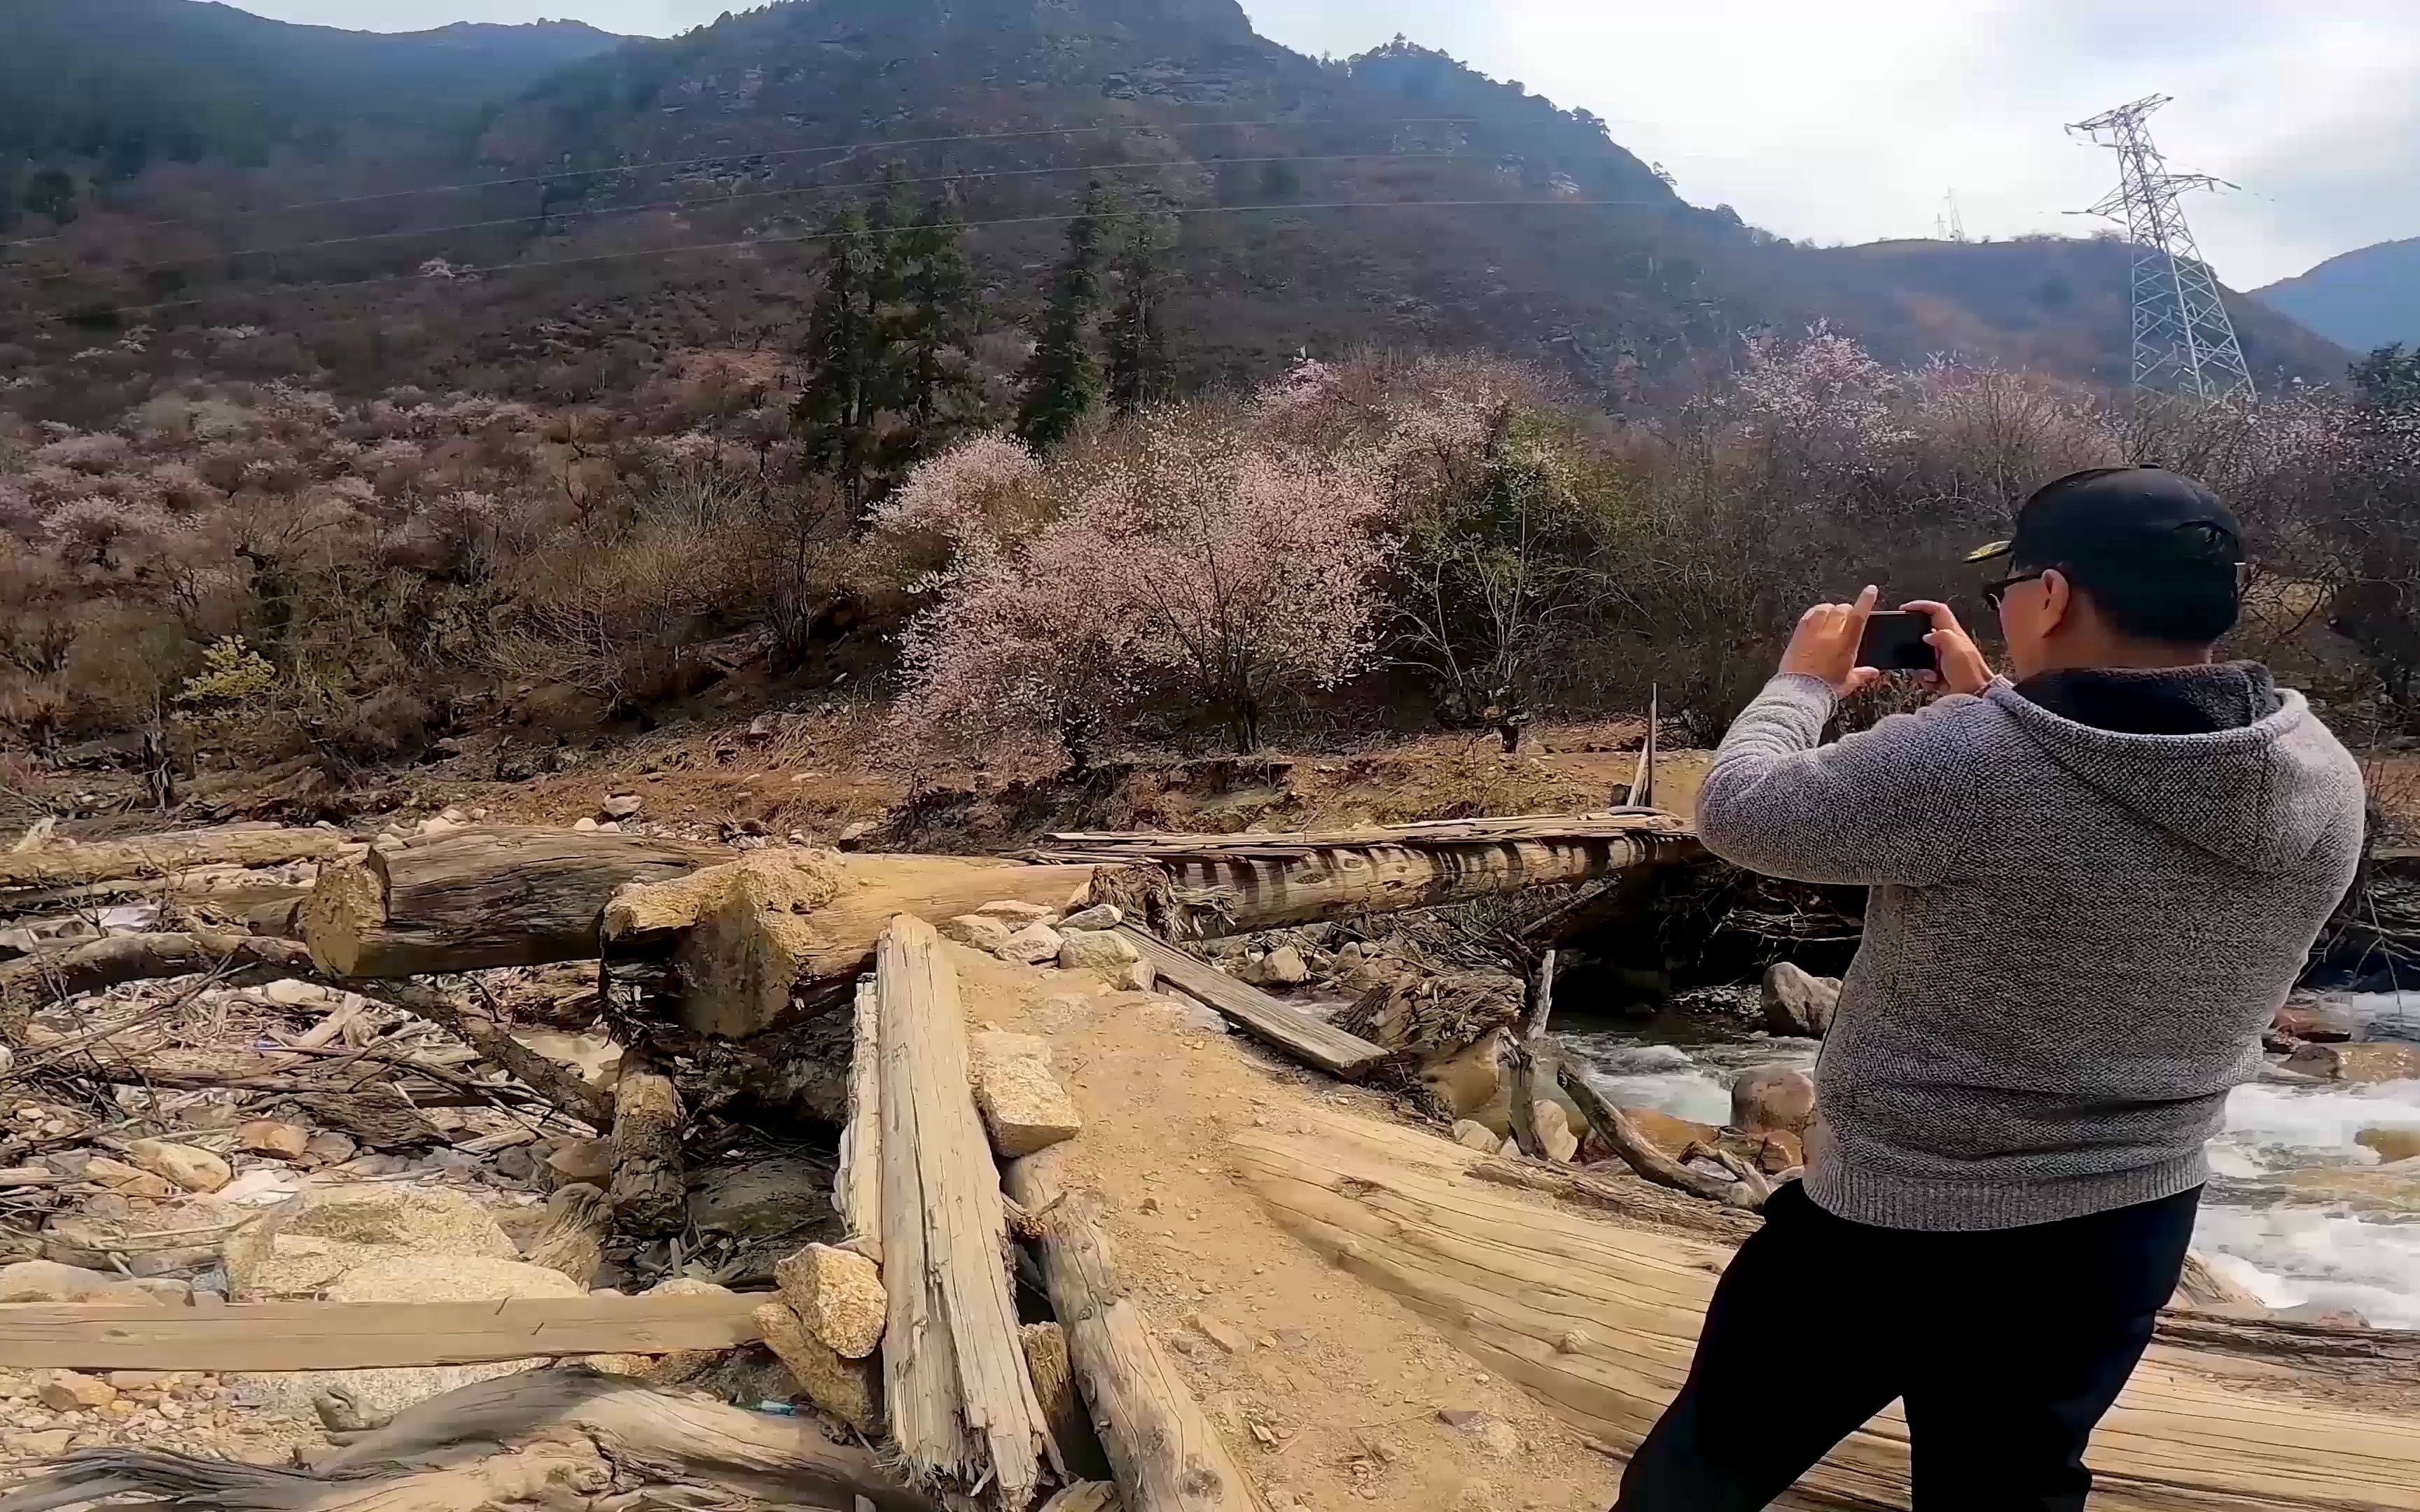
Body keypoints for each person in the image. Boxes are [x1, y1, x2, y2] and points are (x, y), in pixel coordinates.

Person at [1613, 467, 2366, 1512]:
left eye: (2008, 587)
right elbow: (2101, 806)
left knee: (1696, 1481)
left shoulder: (1973, 762)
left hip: (1897, 1223)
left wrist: (1804, 686)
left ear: (2051, 595)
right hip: (2125, 1224)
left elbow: (1741, 809)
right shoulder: (2320, 769)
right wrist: (2003, 701)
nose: (2001, 610)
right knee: (2006, 1494)